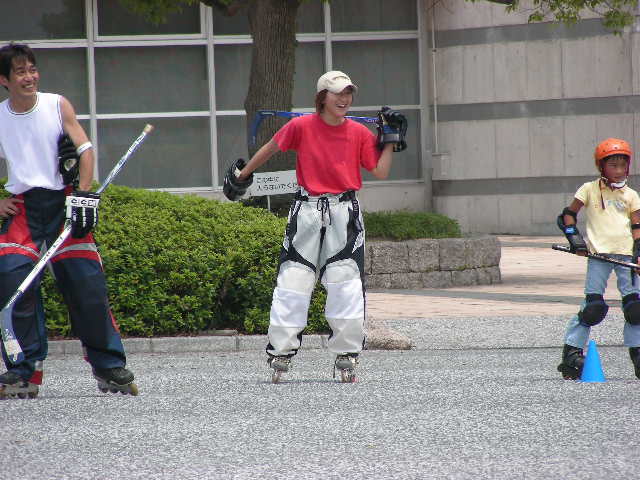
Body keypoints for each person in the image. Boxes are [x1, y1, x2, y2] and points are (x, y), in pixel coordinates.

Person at [223, 70, 407, 382]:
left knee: (345, 283)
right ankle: (280, 351)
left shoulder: (360, 133)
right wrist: (243, 175)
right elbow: (271, 146)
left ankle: (347, 353)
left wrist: (391, 140)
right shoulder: (301, 126)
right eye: (338, 94)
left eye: (348, 93)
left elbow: (380, 171)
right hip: (306, 209)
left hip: (344, 211)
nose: (345, 99)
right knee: (293, 280)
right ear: (322, 98)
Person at [0, 43, 137, 398]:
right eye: (20, 72)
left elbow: (85, 149)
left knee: (87, 283)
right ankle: (23, 371)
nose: (29, 77)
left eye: (32, 69)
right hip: (24, 210)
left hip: (64, 204)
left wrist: (84, 195)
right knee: (12, 280)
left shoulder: (56, 105)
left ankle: (110, 367)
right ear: (4, 79)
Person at [556, 137, 640, 380]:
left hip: (626, 255)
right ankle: (571, 354)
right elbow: (568, 216)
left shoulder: (632, 195)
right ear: (601, 167)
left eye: (622, 165)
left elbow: (637, 226)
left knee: (635, 309)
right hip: (599, 255)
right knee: (593, 308)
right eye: (613, 165)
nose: (618, 170)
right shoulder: (589, 189)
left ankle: (637, 355)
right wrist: (576, 242)